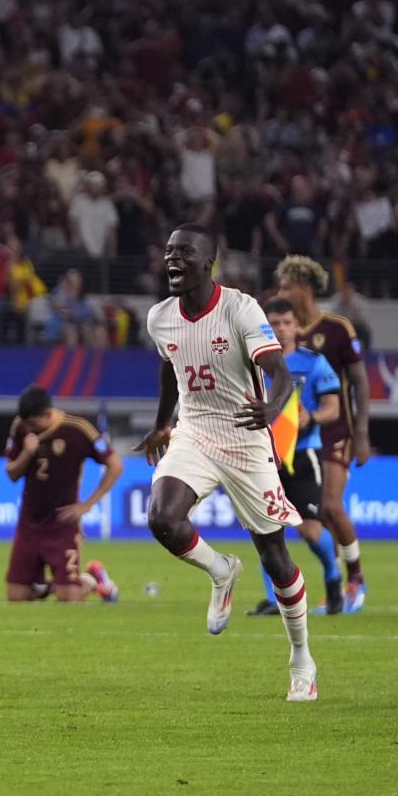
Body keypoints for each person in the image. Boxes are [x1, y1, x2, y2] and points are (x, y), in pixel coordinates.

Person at [137, 224, 319, 702]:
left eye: (184, 252)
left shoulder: (240, 309)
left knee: (275, 556)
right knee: (161, 517)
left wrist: (272, 409)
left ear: (207, 262)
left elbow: (279, 372)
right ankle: (220, 571)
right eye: (169, 251)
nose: (173, 259)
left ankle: (302, 658)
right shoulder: (160, 317)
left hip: (245, 437)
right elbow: (168, 369)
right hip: (194, 432)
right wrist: (162, 424)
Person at [275, 255, 371, 610]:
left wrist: (361, 432)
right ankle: (328, 580)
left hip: (335, 429)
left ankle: (355, 581)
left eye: (287, 286)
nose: (282, 292)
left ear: (306, 288)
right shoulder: (280, 331)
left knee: (330, 506)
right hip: (291, 438)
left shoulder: (336, 328)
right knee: (304, 519)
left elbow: (360, 380)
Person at [246, 300, 346, 617]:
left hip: (303, 454)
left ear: (297, 326)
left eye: (286, 322)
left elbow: (334, 407)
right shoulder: (253, 365)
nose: (279, 329)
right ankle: (274, 599)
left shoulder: (314, 364)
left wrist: (311, 418)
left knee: (309, 531)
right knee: (266, 529)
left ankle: (333, 578)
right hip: (263, 456)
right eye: (272, 323)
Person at [3, 385, 122, 602]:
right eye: (26, 424)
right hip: (29, 522)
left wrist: (87, 504)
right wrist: (27, 453)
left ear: (48, 414)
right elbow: (11, 473)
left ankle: (93, 580)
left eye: (33, 424)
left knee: (69, 597)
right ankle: (54, 586)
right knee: (16, 596)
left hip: (61, 523)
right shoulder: (20, 426)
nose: (29, 428)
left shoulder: (78, 429)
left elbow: (115, 465)